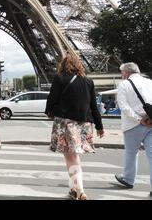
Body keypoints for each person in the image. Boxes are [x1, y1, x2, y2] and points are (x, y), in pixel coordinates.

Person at [45, 53, 104, 200]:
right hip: (84, 123)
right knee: (71, 156)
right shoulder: (88, 81)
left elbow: (51, 100)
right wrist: (99, 126)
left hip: (65, 122)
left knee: (72, 157)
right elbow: (93, 106)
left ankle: (80, 190)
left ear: (64, 64)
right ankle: (73, 189)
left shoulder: (60, 78)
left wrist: (51, 112)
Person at [114, 63, 152, 197]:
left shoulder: (124, 84)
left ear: (126, 72)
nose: (121, 75)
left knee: (131, 153)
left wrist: (138, 119)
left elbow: (123, 106)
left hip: (132, 125)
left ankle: (128, 179)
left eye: (121, 73)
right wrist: (148, 118)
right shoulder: (149, 82)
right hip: (151, 123)